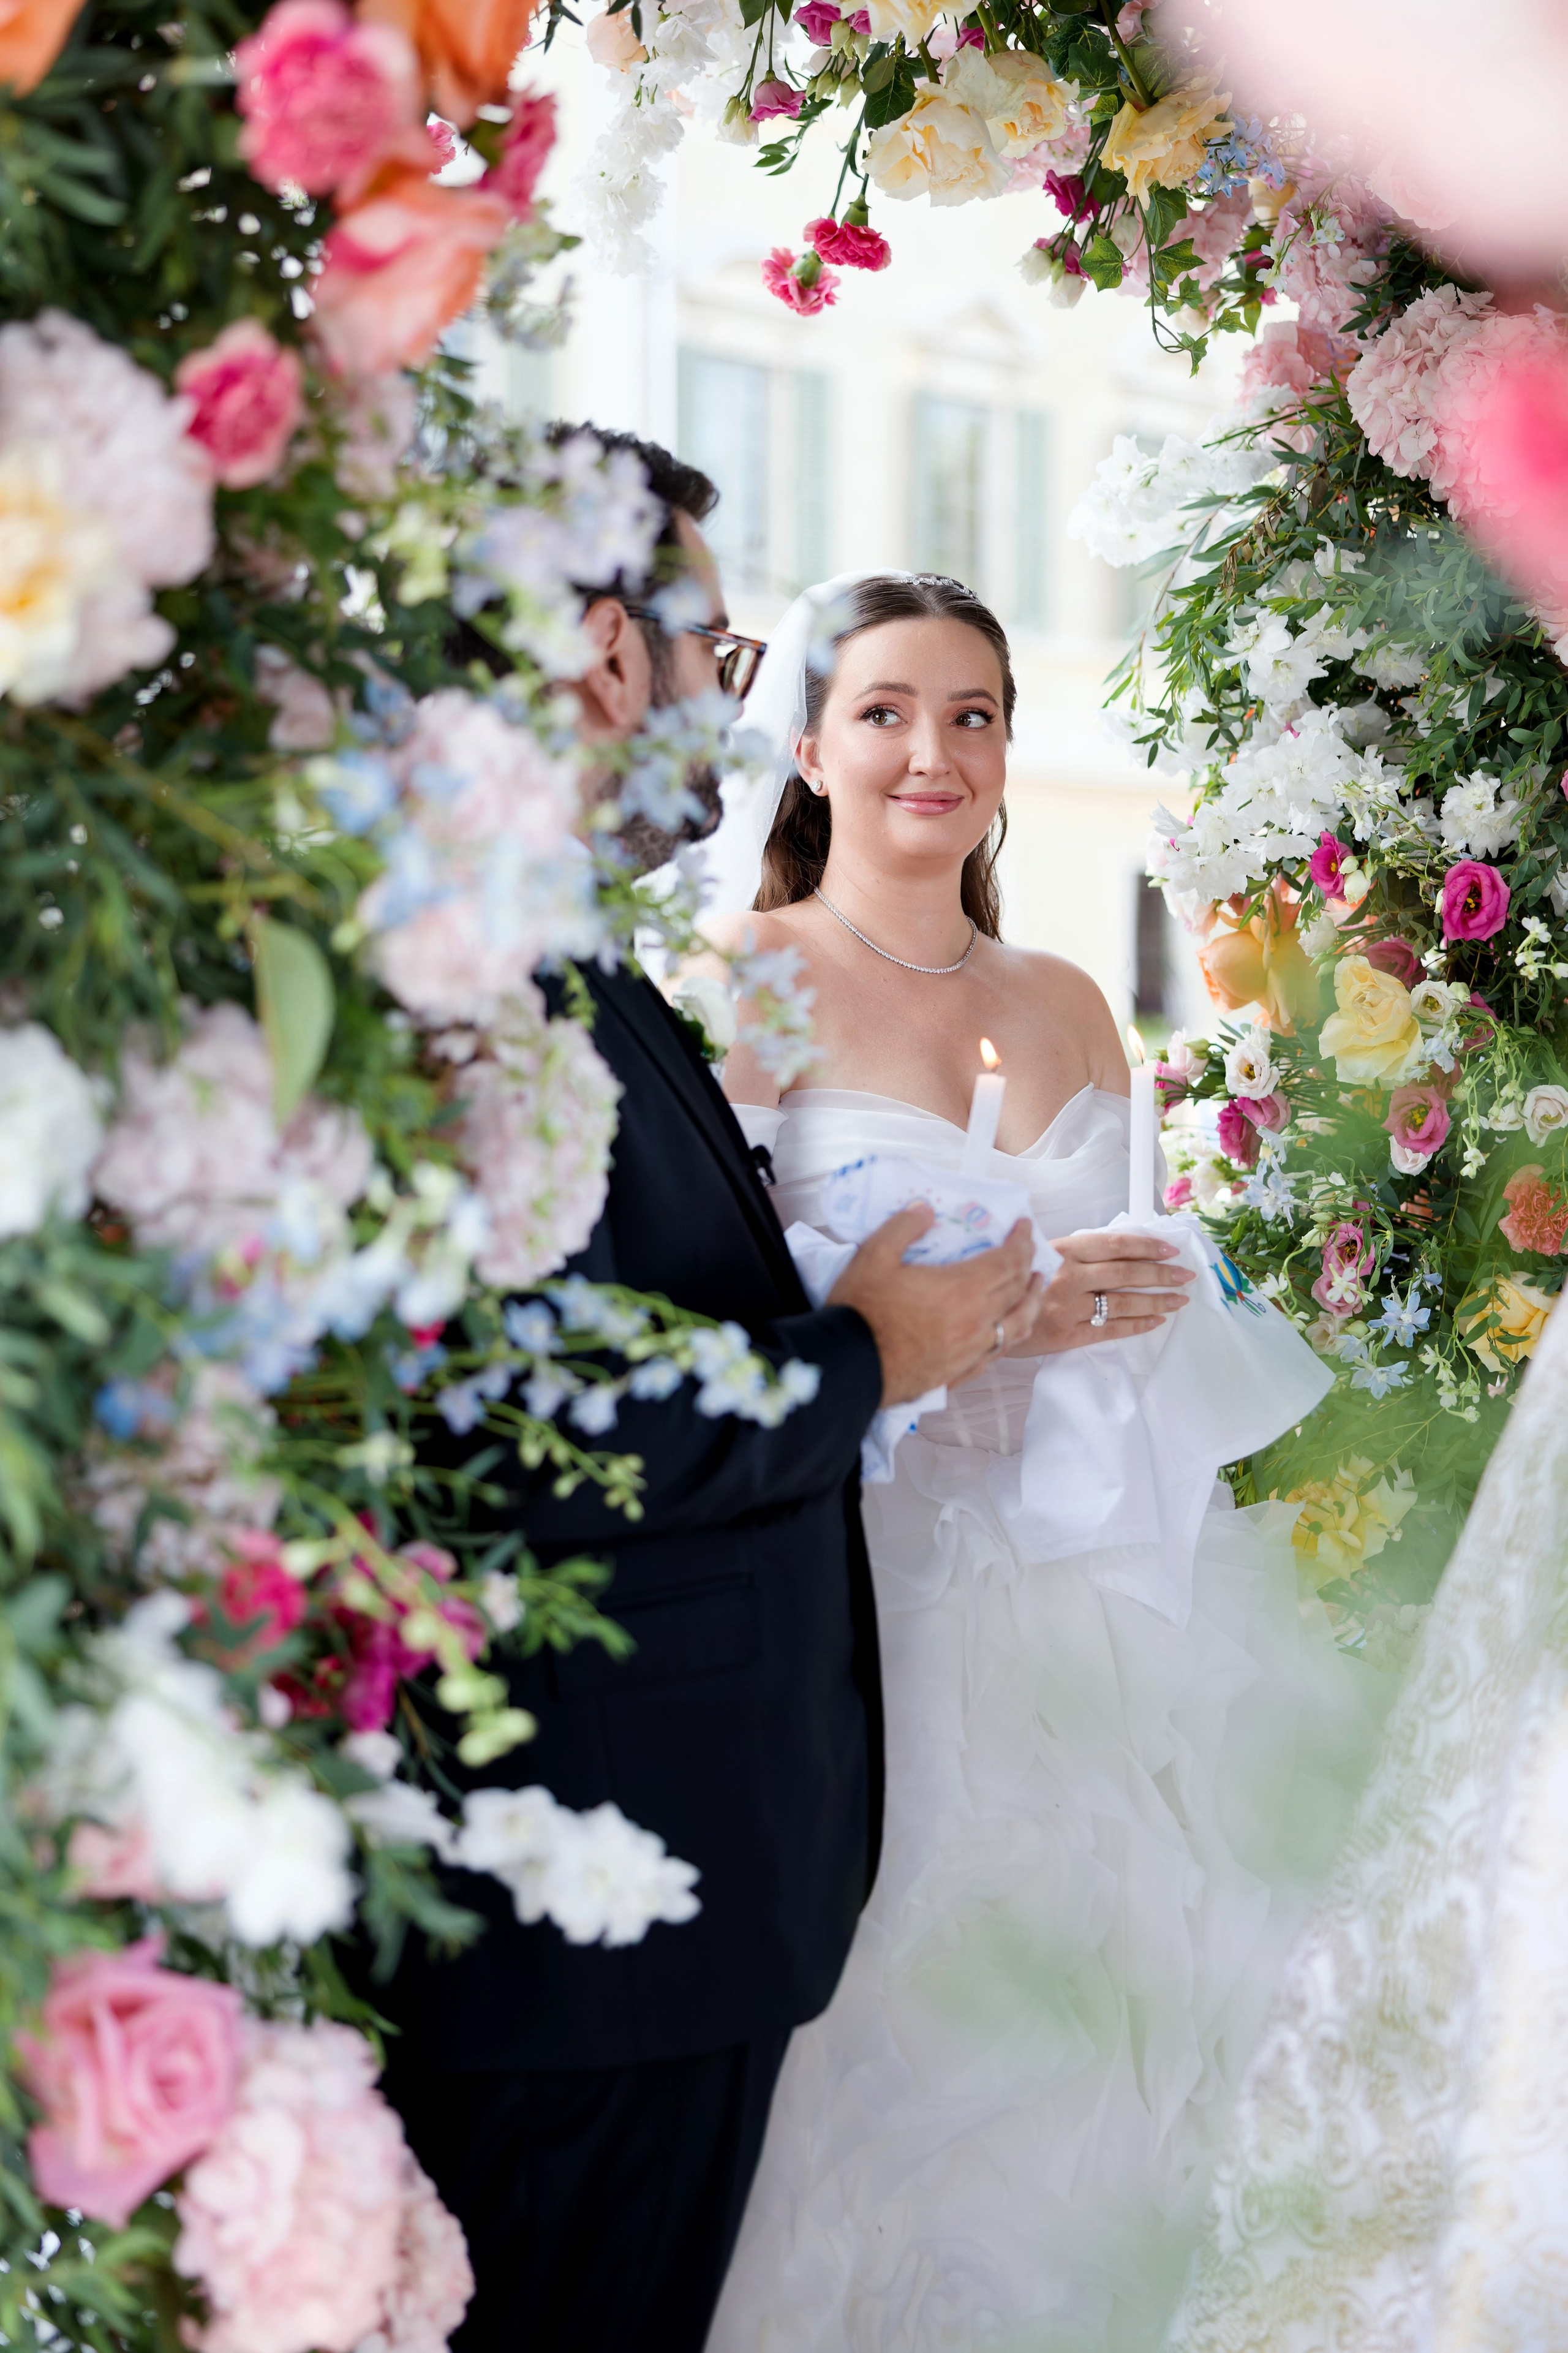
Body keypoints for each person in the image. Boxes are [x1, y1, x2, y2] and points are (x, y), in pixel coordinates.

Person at [372, 444, 1121, 2353]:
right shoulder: (472, 973)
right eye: (725, 656)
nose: (733, 703)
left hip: (675, 1885)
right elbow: (511, 1423)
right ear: (607, 654)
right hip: (588, 1914)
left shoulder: (559, 950)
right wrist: (871, 1348)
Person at [698, 572, 1392, 2353]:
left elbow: (1142, 1284)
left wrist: (1144, 1298)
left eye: (975, 715)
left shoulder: (1076, 1000)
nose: (932, 751)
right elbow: (729, 1311)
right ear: (810, 745)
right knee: (901, 2047)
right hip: (869, 1602)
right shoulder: (753, 984)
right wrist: (987, 1314)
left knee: (1129, 2049)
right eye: (887, 710)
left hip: (1093, 1603)